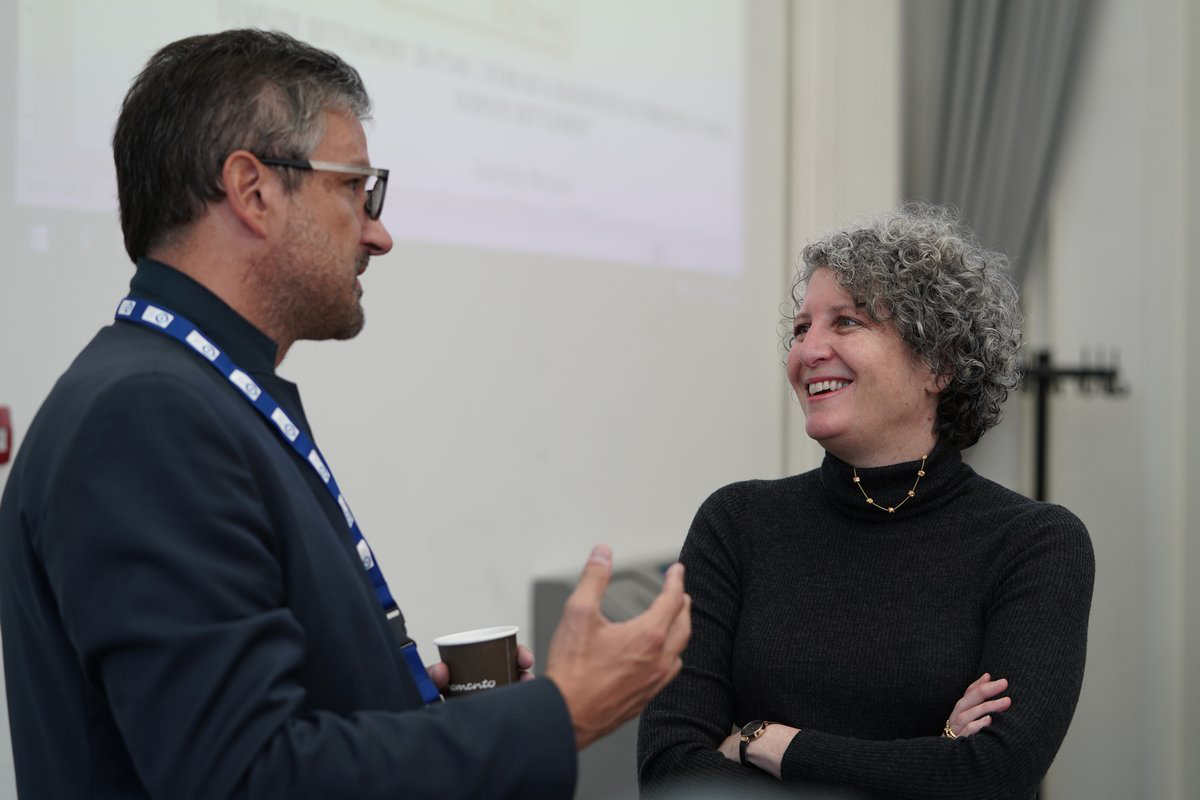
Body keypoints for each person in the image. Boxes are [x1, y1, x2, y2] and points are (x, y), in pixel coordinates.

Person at [0, 29, 691, 799]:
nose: (379, 233)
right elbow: (248, 778)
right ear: (253, 189)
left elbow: (264, 727)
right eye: (357, 188)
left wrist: (416, 707)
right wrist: (561, 715)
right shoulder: (143, 417)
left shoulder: (190, 391)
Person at [637, 204, 1094, 799]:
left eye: (846, 322)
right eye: (801, 329)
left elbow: (992, 774)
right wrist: (932, 755)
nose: (808, 351)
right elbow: (671, 769)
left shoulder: (1035, 542)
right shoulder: (736, 523)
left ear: (939, 363)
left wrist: (765, 742)